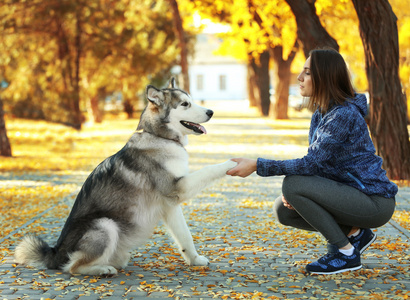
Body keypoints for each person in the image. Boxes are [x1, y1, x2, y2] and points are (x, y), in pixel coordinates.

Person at [227, 48, 398, 275]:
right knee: (283, 209)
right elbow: (320, 166)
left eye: (307, 73)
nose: (299, 78)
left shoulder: (343, 115)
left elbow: (310, 164)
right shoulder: (322, 113)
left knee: (293, 184)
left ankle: (345, 254)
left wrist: (258, 165)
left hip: (374, 201)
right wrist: (303, 194)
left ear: (324, 77)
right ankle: (355, 234)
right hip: (352, 194)